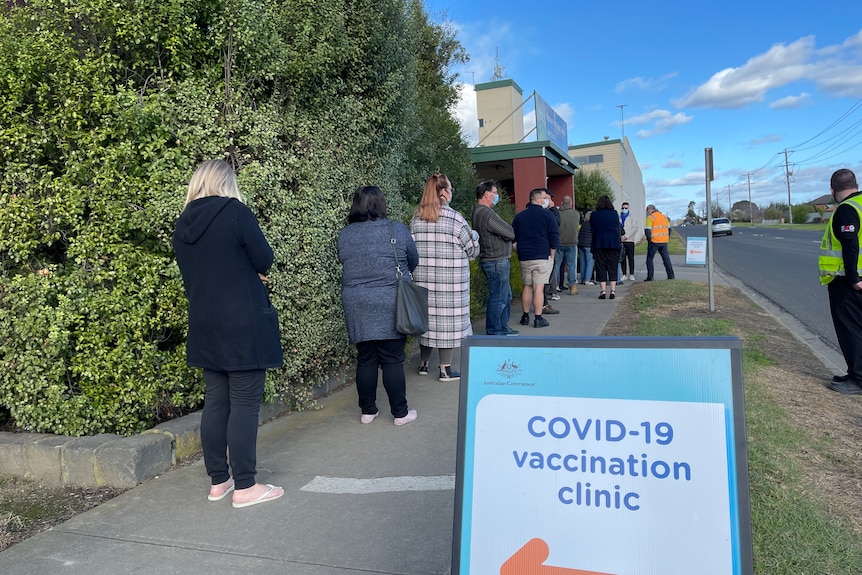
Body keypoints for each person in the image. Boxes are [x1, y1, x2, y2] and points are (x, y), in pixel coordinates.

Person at [173, 159, 284, 508]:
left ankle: (219, 481)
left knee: (216, 402)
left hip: (205, 325)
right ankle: (246, 487)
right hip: (243, 325)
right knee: (245, 404)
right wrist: (253, 275)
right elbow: (263, 259)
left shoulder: (182, 224)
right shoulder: (235, 213)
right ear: (226, 183)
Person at [338, 185, 419, 424]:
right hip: (391, 300)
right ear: (381, 204)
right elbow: (413, 260)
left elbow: (343, 259)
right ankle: (400, 413)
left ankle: (368, 411)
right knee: (392, 358)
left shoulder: (346, 234)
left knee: (365, 358)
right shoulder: (396, 229)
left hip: (357, 302)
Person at [411, 173, 480, 381]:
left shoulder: (416, 219)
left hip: (423, 283)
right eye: (450, 189)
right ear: (443, 193)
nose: (451, 193)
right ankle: (445, 369)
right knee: (447, 325)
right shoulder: (454, 218)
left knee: (428, 322)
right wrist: (475, 236)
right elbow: (472, 250)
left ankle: (423, 365)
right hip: (451, 285)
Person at [820, 169, 862, 395]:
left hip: (848, 282)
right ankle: (855, 372)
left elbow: (850, 244)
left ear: (832, 189)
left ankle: (858, 379)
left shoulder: (847, 209)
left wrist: (854, 278)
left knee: (851, 330)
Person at [472, 180, 519, 336]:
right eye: (495, 193)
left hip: (493, 260)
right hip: (496, 260)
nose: (497, 196)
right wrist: (508, 235)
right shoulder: (486, 213)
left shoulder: (479, 212)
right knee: (499, 298)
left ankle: (502, 327)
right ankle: (494, 331)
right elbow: (509, 232)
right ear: (487, 194)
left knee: (505, 296)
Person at [512, 187, 560, 328]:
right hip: (541, 256)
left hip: (525, 256)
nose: (547, 200)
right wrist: (551, 256)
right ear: (538, 199)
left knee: (527, 286)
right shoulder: (548, 215)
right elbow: (554, 238)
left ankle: (525, 316)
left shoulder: (520, 216)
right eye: (545, 197)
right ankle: (538, 318)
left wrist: (518, 250)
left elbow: (512, 237)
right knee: (538, 288)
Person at [590, 194, 621, 300]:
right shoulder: (614, 213)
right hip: (613, 243)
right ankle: (613, 291)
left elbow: (592, 227)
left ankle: (603, 291)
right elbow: (617, 226)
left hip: (599, 243)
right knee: (613, 267)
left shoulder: (594, 214)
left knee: (600, 267)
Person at [554, 196, 580, 295]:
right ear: (571, 203)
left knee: (556, 265)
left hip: (559, 243)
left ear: (561, 203)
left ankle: (554, 286)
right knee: (571, 265)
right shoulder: (576, 214)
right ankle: (572, 286)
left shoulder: (558, 214)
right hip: (572, 242)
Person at [644, 204, 675, 281]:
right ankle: (671, 276)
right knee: (666, 259)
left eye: (647, 210)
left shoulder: (650, 218)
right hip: (664, 241)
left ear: (649, 209)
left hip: (654, 241)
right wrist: (667, 237)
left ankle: (650, 277)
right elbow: (669, 229)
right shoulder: (664, 217)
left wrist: (649, 240)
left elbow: (648, 231)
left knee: (649, 259)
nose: (647, 212)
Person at [620, 201, 639, 281]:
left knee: (631, 258)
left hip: (629, 240)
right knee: (622, 258)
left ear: (628, 208)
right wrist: (621, 237)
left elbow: (635, 228)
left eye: (626, 208)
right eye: (623, 208)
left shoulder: (632, 217)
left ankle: (631, 274)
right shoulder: (619, 217)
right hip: (621, 241)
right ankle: (624, 274)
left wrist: (626, 236)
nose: (624, 209)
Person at [577, 210, 595, 285]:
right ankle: (587, 279)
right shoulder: (592, 225)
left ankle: (583, 278)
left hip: (581, 245)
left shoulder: (584, 224)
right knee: (590, 262)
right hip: (589, 245)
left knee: (583, 262)